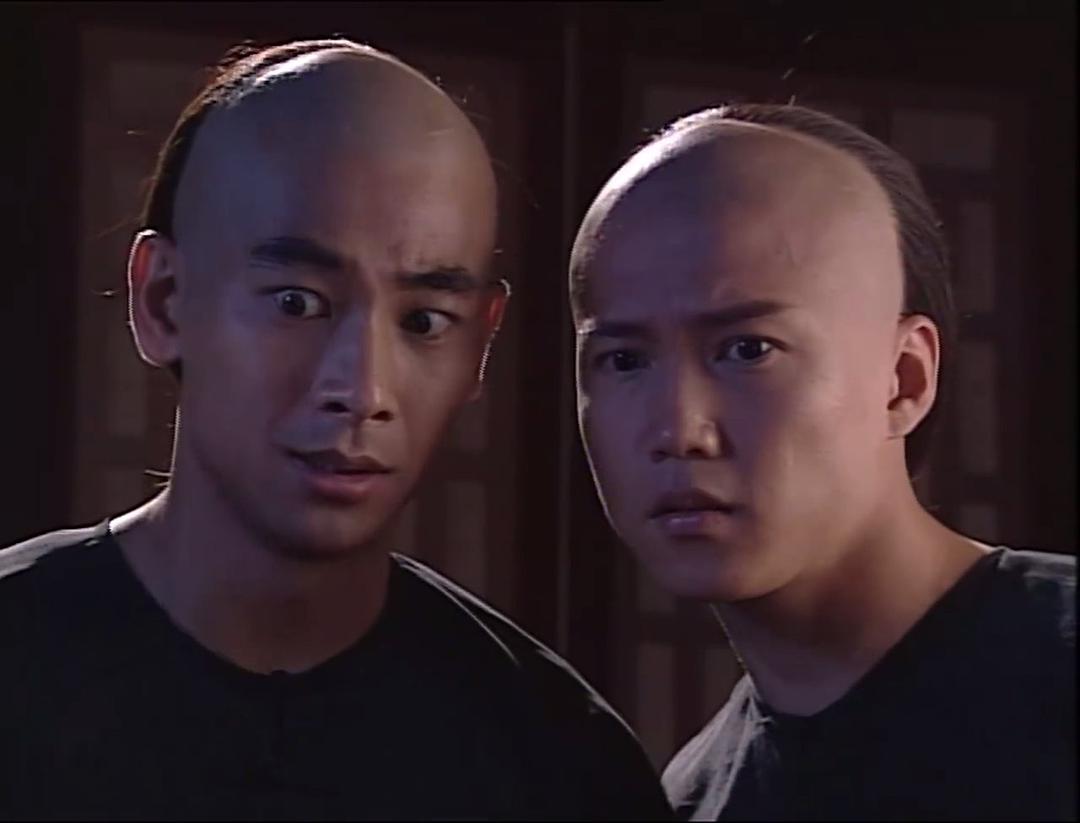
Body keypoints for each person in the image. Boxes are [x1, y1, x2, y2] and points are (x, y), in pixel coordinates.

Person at [0, 39, 672, 820]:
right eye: (297, 302)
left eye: (424, 321)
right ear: (163, 300)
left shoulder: (561, 761)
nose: (362, 389)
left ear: (480, 346)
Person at [568, 102, 1076, 821]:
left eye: (748, 350)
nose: (680, 430)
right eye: (624, 360)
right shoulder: (694, 800)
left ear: (903, 378)